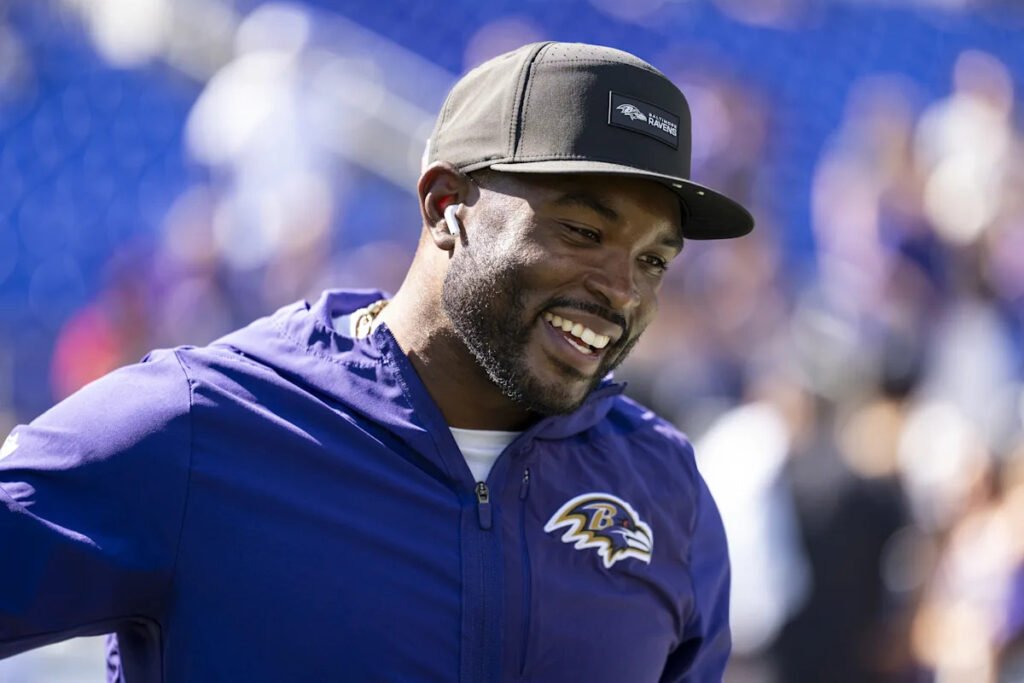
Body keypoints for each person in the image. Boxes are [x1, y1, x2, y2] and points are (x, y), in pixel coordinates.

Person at [0, 42, 753, 682]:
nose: (622, 290)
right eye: (583, 231)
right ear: (445, 204)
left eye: (654, 261)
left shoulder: (666, 492)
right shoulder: (203, 424)